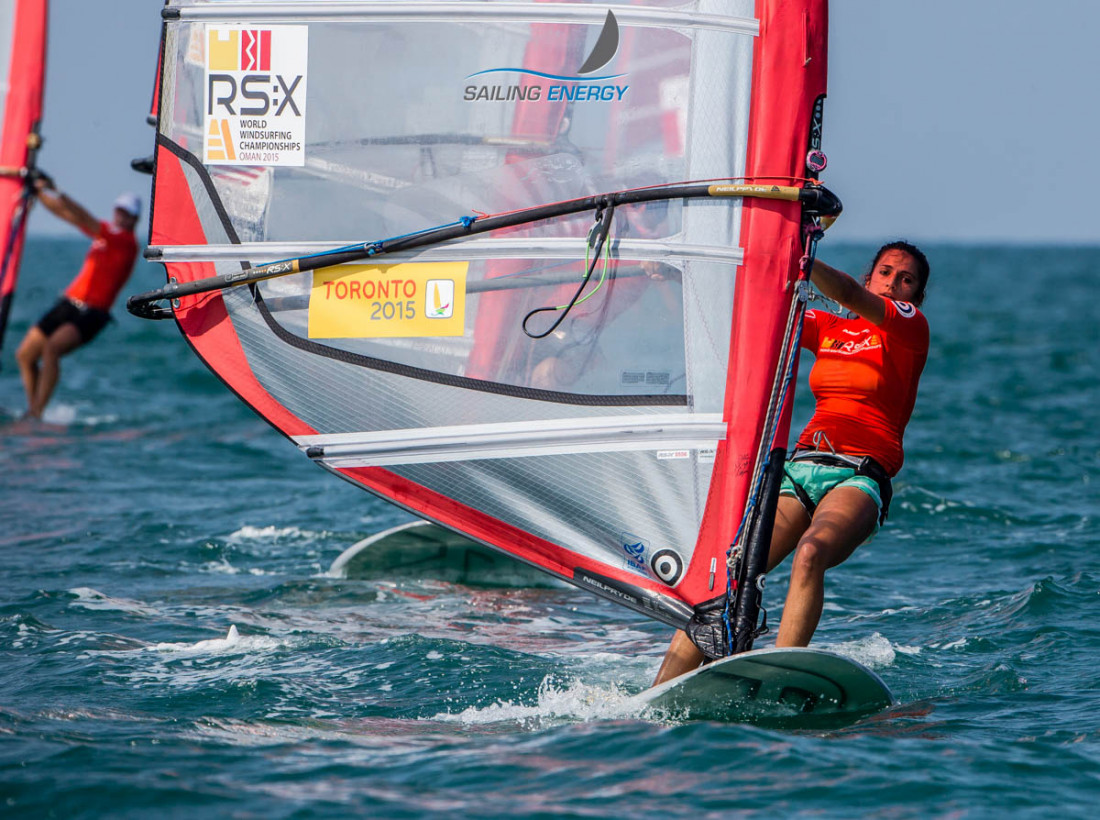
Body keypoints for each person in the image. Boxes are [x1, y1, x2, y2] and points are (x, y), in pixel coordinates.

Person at [653, 241, 931, 685]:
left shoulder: (909, 330)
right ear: (870, 276)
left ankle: (781, 675)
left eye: (906, 279)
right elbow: (742, 319)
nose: (894, 282)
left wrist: (799, 255)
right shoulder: (829, 329)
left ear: (915, 297)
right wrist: (673, 279)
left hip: (858, 474)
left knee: (811, 553)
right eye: (886, 272)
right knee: (733, 572)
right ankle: (660, 691)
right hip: (801, 468)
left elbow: (847, 293)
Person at [13, 177, 140, 419]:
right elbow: (67, 216)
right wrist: (38, 194)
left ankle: (36, 412)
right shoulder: (105, 235)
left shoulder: (125, 242)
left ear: (135, 219)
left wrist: (56, 190)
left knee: (52, 349)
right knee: (25, 355)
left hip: (92, 314)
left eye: (127, 214)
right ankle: (33, 410)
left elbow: (82, 215)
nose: (122, 217)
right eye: (119, 211)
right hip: (67, 304)